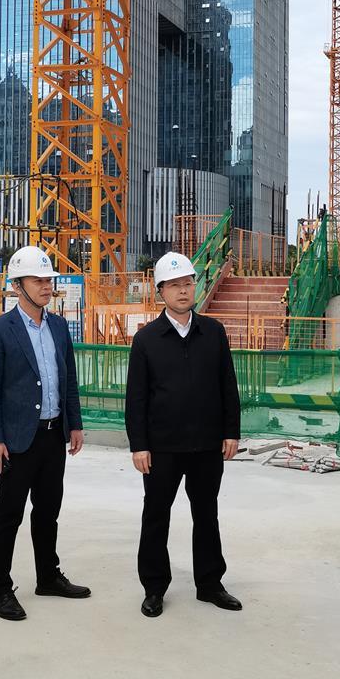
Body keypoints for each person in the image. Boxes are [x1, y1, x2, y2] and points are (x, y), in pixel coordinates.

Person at [125, 251, 241, 618]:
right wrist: (139, 445)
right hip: (162, 447)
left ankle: (210, 583)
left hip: (207, 444)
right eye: (174, 285)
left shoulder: (213, 332)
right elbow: (136, 398)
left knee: (207, 514)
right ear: (160, 291)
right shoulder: (146, 339)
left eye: (188, 283)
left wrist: (231, 432)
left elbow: (228, 385)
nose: (183, 290)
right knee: (156, 515)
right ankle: (154, 587)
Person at [0, 245, 88, 621]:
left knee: (48, 510)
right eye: (38, 280)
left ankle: (48, 577)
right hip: (16, 440)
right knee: (8, 514)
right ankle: (0, 589)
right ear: (17, 285)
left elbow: (68, 379)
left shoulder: (58, 326)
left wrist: (75, 423)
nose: (46, 286)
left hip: (52, 435)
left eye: (48, 280)